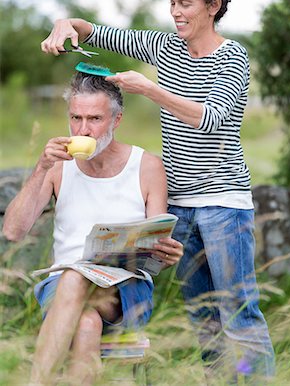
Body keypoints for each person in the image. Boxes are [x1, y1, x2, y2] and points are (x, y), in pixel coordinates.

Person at [40, 0, 275, 382]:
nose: (176, 12)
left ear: (213, 5)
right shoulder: (163, 47)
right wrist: (64, 25)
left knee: (237, 311)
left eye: (185, 4)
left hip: (222, 202)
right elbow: (94, 30)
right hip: (178, 210)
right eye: (172, 3)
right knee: (203, 315)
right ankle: (222, 379)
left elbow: (210, 118)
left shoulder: (233, 57)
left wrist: (149, 88)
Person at [2, 71, 183, 386]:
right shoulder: (58, 165)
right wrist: (42, 168)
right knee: (85, 324)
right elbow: (13, 232)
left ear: (116, 119)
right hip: (60, 290)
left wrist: (165, 253)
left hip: (126, 290)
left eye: (95, 119)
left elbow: (156, 252)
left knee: (75, 276)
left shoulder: (148, 166)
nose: (83, 129)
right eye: (76, 118)